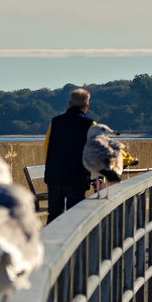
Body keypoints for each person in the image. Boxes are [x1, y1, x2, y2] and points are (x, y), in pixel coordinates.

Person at [43, 88, 96, 220]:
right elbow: (99, 148)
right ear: (86, 106)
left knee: (54, 215)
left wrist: (52, 166)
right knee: (75, 217)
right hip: (77, 177)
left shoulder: (55, 121)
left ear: (69, 104)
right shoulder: (90, 124)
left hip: (54, 176)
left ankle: (51, 239)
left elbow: (46, 146)